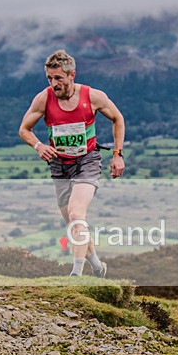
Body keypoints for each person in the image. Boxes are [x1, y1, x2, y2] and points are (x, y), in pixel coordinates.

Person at [19, 49, 125, 277]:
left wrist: (117, 154)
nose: (53, 83)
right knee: (74, 224)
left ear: (71, 75)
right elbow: (24, 129)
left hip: (87, 161)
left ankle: (76, 274)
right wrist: (39, 146)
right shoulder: (43, 99)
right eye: (49, 78)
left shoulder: (92, 96)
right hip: (59, 166)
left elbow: (118, 118)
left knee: (77, 215)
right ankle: (97, 266)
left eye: (58, 78)